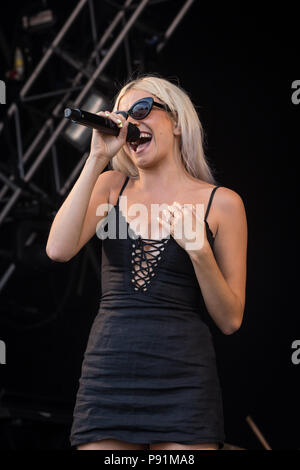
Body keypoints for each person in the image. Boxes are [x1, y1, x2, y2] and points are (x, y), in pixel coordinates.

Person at [46, 74, 248, 451]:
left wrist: (201, 252)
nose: (130, 123)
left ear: (174, 121)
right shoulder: (110, 186)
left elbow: (230, 320)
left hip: (184, 382)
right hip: (108, 374)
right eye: (122, 116)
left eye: (141, 110)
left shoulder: (222, 203)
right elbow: (58, 249)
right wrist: (96, 159)